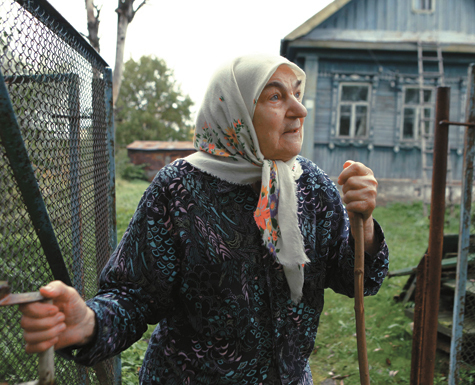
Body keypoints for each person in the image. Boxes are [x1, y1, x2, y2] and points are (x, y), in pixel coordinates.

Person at [19, 54, 389, 384]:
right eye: (276, 96)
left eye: (296, 92)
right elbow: (134, 296)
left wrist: (365, 224)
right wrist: (90, 323)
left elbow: (356, 278)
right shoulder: (179, 189)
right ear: (236, 112)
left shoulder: (310, 186)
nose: (299, 110)